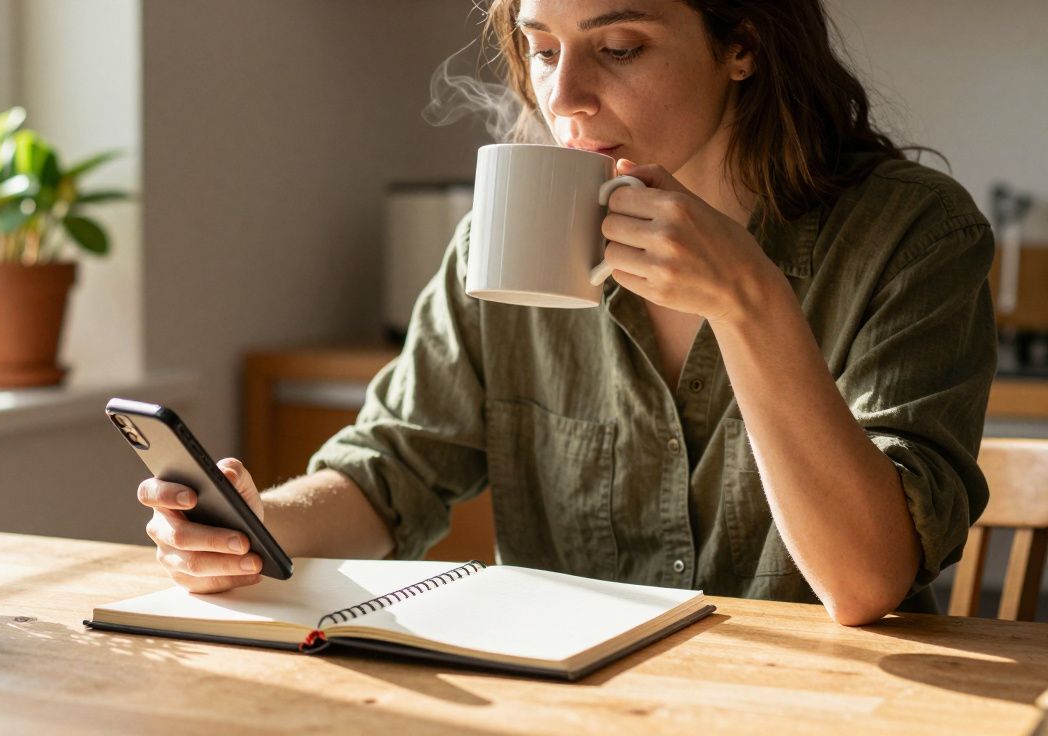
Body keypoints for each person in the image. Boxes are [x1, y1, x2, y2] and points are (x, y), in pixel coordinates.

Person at [138, 0, 995, 626]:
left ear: (742, 44)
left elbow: (865, 583)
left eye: (619, 47)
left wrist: (752, 304)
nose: (567, 97)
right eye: (542, 49)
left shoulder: (911, 234)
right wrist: (251, 531)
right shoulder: (506, 237)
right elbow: (390, 472)